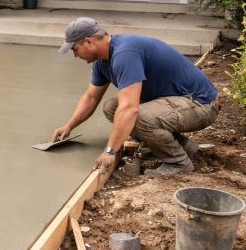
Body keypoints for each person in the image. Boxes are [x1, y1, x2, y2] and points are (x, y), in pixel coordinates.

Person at [52, 17, 219, 176]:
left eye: (75, 49)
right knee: (112, 107)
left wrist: (110, 151)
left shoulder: (125, 53)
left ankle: (178, 162)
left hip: (200, 104)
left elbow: (130, 109)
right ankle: (183, 145)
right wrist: (69, 126)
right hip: (176, 101)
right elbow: (91, 98)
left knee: (136, 115)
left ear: (88, 41)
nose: (75, 55)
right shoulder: (103, 61)